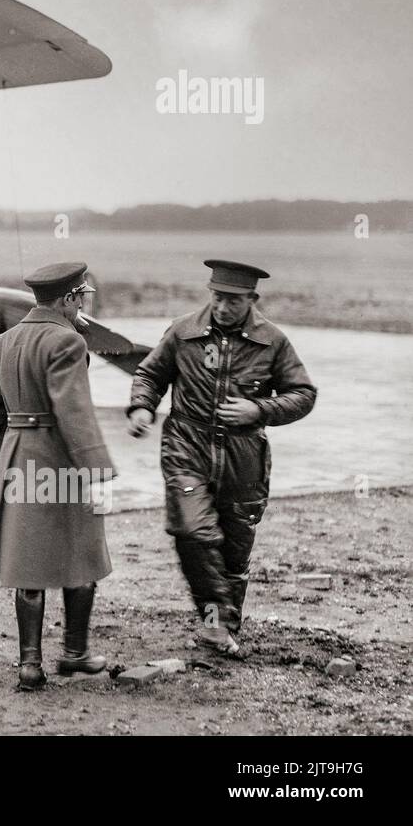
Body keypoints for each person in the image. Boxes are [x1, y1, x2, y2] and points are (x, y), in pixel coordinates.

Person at [128, 260, 317, 655]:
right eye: (217, 298)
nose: (223, 307)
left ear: (252, 299)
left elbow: (303, 394)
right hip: (186, 445)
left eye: (233, 301)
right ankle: (216, 622)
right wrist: (142, 407)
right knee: (192, 531)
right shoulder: (183, 331)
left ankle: (221, 629)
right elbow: (149, 374)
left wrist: (259, 410)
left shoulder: (273, 341)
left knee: (234, 548)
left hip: (243, 454)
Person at [0, 261, 116, 691]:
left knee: (27, 559)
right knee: (83, 551)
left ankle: (30, 665)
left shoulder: (4, 341)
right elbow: (73, 411)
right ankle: (74, 653)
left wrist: (6, 453)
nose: (83, 305)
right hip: (60, 455)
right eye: (82, 298)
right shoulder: (68, 341)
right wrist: (96, 466)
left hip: (19, 455)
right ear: (69, 298)